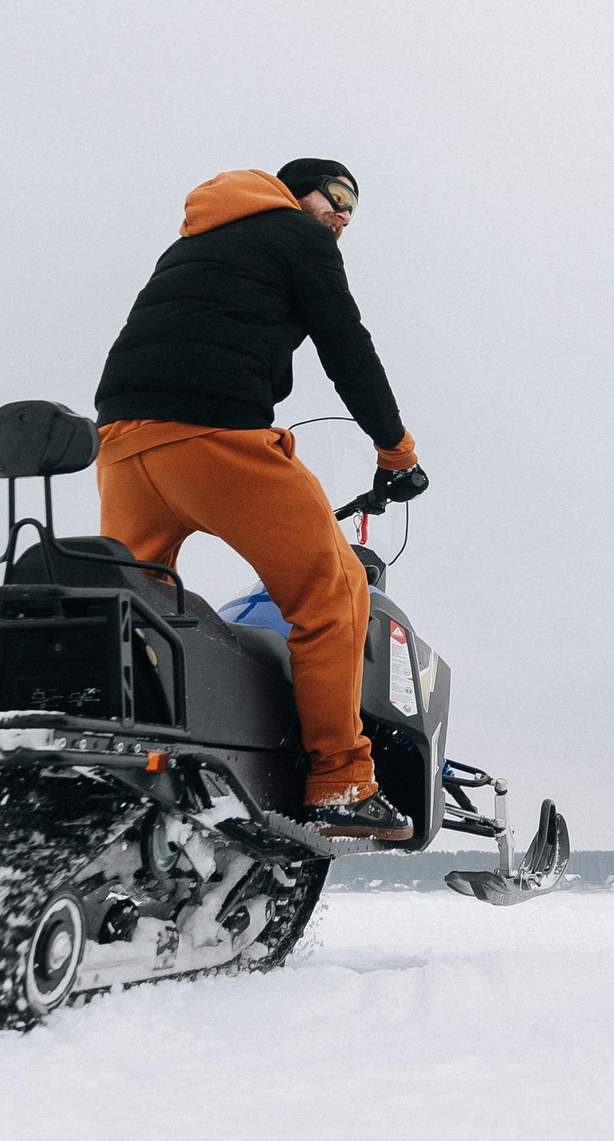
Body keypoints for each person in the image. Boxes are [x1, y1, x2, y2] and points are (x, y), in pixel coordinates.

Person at [94, 158, 431, 841]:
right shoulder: (297, 236)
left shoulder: (194, 243)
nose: (341, 216)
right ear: (293, 188)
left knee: (132, 608)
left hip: (123, 441)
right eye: (334, 197)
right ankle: (341, 779)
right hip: (215, 437)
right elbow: (346, 346)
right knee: (335, 590)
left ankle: (117, 755)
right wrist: (396, 450)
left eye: (351, 212)